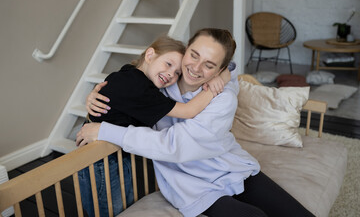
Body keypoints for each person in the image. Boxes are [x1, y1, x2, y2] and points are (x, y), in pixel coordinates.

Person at [77, 28, 315, 217]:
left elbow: (174, 143)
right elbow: (131, 83)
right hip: (191, 183)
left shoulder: (223, 99)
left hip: (229, 167)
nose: (195, 68)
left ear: (218, 70)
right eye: (193, 55)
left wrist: (105, 130)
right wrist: (95, 97)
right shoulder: (160, 84)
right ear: (186, 49)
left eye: (210, 65)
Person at [77, 35, 230, 217]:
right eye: (168, 64)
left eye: (177, 73)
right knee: (110, 209)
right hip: (100, 156)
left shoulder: (131, 73)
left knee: (121, 202)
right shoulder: (138, 87)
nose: (171, 75)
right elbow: (189, 111)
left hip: (115, 150)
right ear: (150, 55)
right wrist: (221, 80)